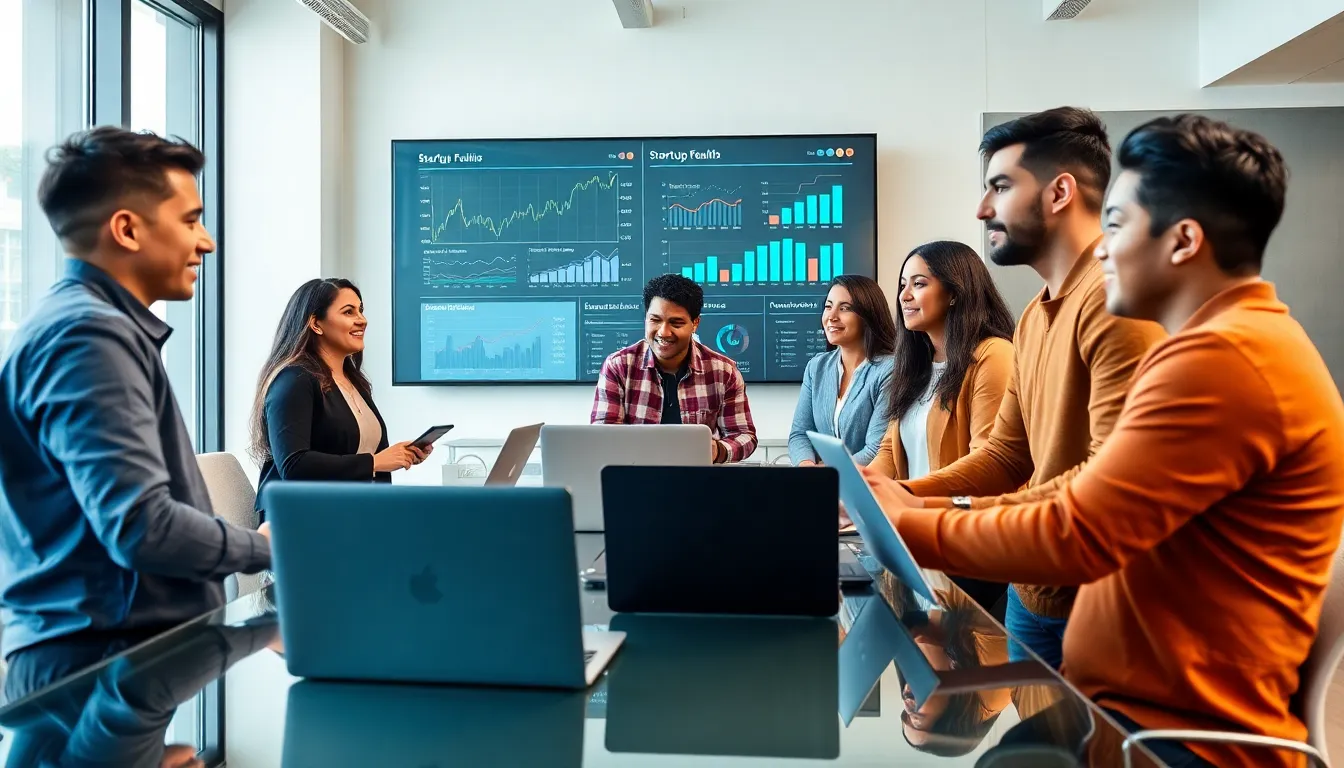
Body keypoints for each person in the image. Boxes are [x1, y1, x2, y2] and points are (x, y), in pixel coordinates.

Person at [864, 115, 1344, 768]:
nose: (1103, 248)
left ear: (1183, 242)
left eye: (1115, 225)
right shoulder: (1220, 345)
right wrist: (919, 510)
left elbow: (1078, 532)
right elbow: (1071, 492)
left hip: (1167, 739)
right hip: (1115, 712)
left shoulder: (1224, 359)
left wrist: (907, 526)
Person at [874, 107, 1167, 668]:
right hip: (1032, 592)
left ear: (1060, 192)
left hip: (1097, 603)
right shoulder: (1035, 315)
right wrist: (897, 496)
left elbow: (1110, 486)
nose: (983, 209)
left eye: (1001, 187)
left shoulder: (1117, 306)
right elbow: (1007, 455)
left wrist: (922, 518)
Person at [0, 127, 272, 693]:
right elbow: (140, 527)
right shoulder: (88, 337)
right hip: (96, 669)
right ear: (126, 229)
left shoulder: (90, 327)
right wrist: (269, 546)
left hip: (117, 663)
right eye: (191, 220)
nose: (207, 242)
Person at [868, 240, 1016, 612]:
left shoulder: (993, 355)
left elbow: (991, 462)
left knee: (953, 662)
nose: (903, 295)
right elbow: (890, 448)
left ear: (954, 292)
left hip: (970, 547)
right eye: (902, 284)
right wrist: (861, 492)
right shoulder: (916, 365)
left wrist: (903, 493)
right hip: (920, 541)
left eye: (918, 284)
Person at [250, 278, 429, 516]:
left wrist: (402, 455)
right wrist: (375, 462)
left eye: (361, 310)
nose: (362, 320)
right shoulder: (294, 380)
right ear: (316, 323)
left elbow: (362, 454)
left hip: (351, 511)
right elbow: (294, 465)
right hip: (303, 519)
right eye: (348, 312)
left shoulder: (353, 381)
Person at [591, 273, 757, 463]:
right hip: (636, 481)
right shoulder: (618, 366)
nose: (663, 332)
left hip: (698, 484)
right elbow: (603, 436)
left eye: (676, 323)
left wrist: (717, 450)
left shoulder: (724, 372)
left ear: (695, 323)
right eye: (655, 320)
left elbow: (744, 435)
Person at [788, 275, 896, 466]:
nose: (831, 316)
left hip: (870, 488)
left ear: (868, 315)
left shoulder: (889, 369)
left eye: (844, 308)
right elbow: (800, 434)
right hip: (825, 487)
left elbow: (876, 449)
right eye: (828, 306)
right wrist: (807, 468)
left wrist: (828, 474)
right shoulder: (817, 367)